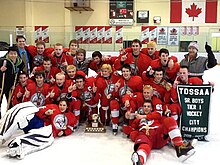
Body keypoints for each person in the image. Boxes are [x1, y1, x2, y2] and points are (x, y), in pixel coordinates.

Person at [131, 100, 195, 165]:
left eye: (148, 106)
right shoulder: (137, 119)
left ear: (151, 108)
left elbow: (168, 124)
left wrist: (168, 114)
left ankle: (180, 147)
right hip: (145, 137)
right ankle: (139, 161)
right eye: (144, 106)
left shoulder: (157, 116)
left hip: (157, 136)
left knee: (169, 120)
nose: (146, 108)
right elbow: (131, 129)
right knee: (143, 146)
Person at [0, 46, 24, 116]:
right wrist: (0, 70)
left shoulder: (20, 63)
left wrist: (16, 84)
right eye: (11, 54)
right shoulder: (2, 61)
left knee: (10, 102)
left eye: (14, 54)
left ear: (17, 54)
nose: (13, 55)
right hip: (1, 85)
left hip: (11, 86)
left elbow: (20, 74)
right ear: (8, 54)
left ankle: (9, 116)